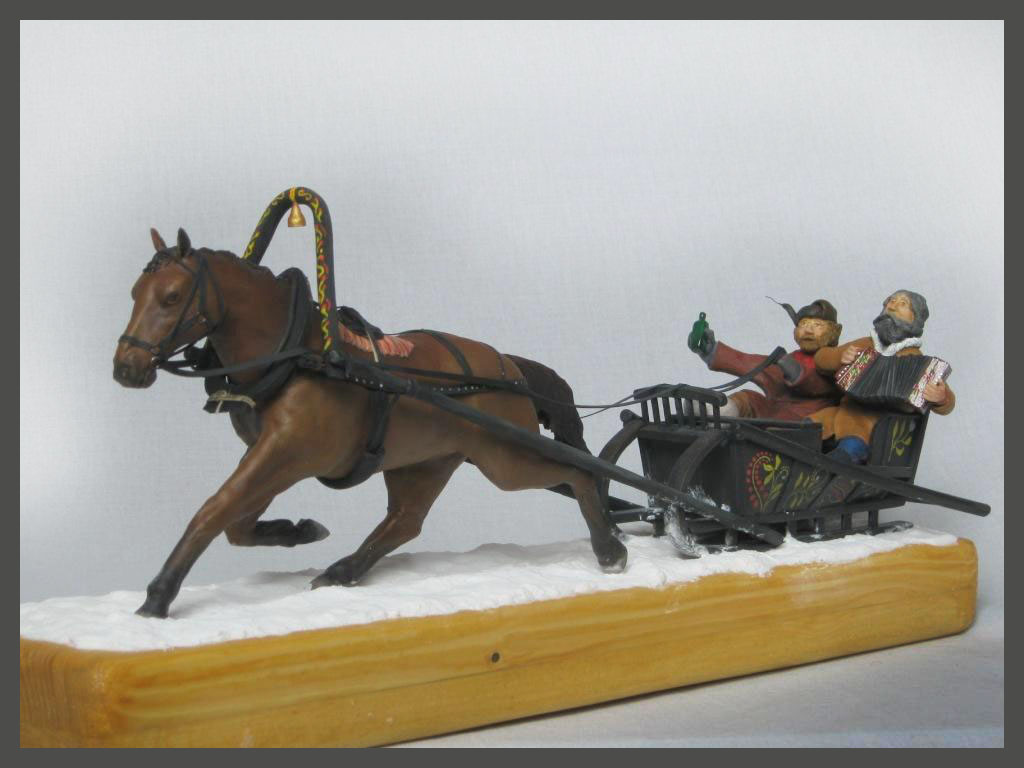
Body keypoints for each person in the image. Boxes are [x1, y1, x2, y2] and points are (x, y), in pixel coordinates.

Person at [811, 290, 954, 463]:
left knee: (849, 449)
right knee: (802, 429)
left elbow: (948, 401)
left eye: (902, 304)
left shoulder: (916, 360)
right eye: (890, 301)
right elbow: (821, 358)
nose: (892, 306)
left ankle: (829, 470)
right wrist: (840, 356)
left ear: (915, 318)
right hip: (840, 412)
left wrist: (941, 398)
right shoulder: (865, 344)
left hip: (875, 427)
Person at [687, 299, 844, 420]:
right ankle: (715, 411)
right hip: (773, 409)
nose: (808, 330)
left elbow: (818, 382)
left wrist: (792, 369)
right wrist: (712, 351)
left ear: (834, 331)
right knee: (749, 397)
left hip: (805, 419)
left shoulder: (833, 360)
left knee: (780, 419)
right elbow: (755, 364)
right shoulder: (792, 357)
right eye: (804, 324)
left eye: (818, 325)